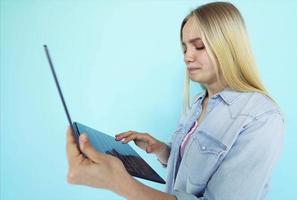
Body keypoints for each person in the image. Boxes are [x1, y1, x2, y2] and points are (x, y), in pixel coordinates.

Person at [66, 2, 285, 200]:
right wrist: (162, 150)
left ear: (228, 46)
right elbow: (196, 168)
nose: (187, 56)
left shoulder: (262, 118)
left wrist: (120, 183)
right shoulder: (198, 102)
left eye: (198, 46)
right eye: (184, 48)